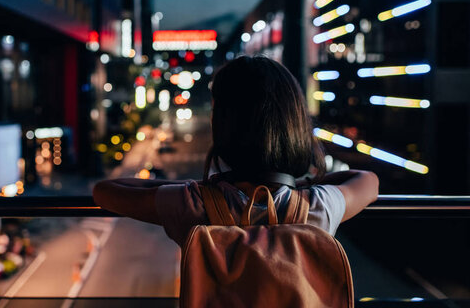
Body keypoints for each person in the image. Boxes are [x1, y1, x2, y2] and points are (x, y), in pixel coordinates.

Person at [93, 56, 379, 248]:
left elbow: (106, 190)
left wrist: (195, 188)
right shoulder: (317, 208)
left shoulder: (194, 205)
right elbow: (367, 180)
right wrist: (305, 186)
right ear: (295, 126)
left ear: (223, 127)